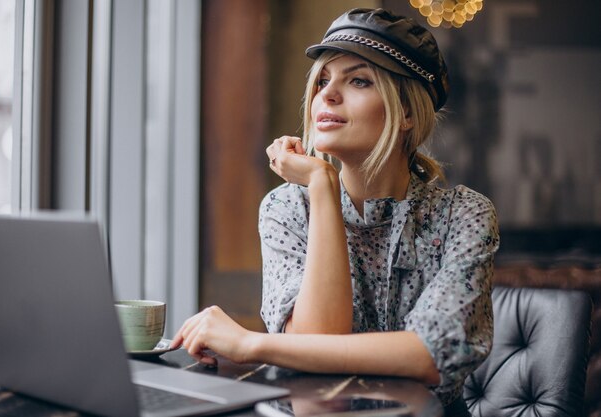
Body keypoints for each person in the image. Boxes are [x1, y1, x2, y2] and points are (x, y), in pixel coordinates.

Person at [171, 8, 499, 416]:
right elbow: (315, 336)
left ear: (408, 114)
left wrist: (252, 344)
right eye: (323, 80)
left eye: (358, 80)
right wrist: (322, 187)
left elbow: (431, 354)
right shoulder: (286, 207)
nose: (327, 94)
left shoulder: (464, 215)